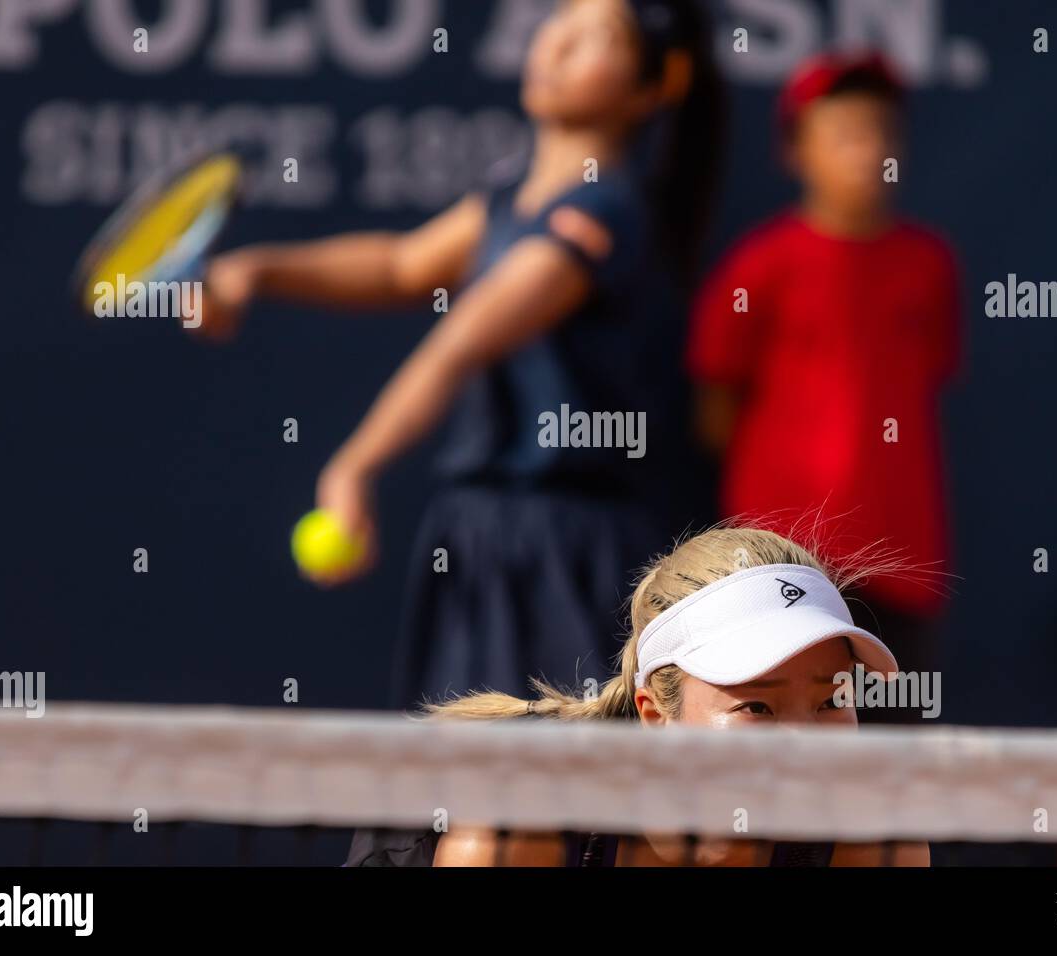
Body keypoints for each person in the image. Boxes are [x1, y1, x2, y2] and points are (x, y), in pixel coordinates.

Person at [193, 0, 725, 708]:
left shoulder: (606, 213)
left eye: (597, 36)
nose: (558, 41)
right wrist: (260, 269)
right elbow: (399, 265)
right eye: (560, 19)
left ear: (653, 86)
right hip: (478, 541)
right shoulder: (509, 195)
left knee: (566, 797)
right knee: (455, 793)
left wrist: (356, 464)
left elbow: (461, 339)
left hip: (568, 555)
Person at [346, 525, 929, 867]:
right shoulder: (521, 818)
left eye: (830, 702)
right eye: (758, 706)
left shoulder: (879, 839)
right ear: (656, 715)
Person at [686, 53, 962, 720]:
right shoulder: (759, 265)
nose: (870, 152)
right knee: (778, 749)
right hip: (778, 565)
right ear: (796, 151)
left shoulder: (929, 265)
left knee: (890, 759)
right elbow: (714, 411)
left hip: (901, 561)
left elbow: (929, 376)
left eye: (883, 133)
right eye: (845, 134)